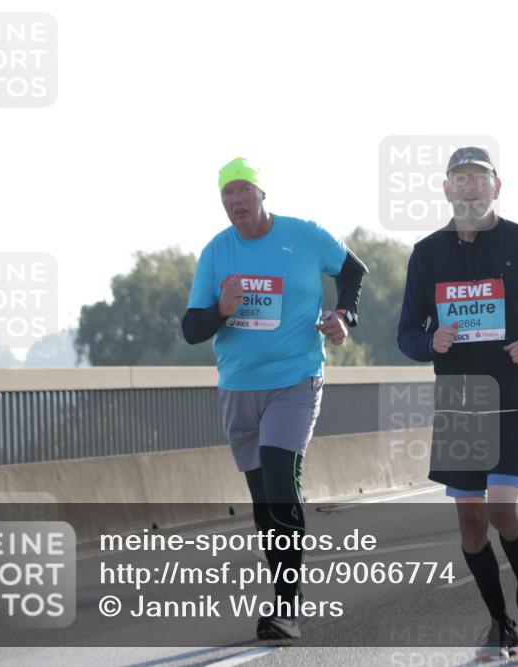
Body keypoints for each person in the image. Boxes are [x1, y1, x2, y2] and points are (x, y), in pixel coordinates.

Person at [397, 147, 518, 660]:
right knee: (471, 523)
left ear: (496, 188)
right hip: (460, 401)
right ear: (446, 189)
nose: (470, 188)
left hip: (513, 398)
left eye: (479, 179)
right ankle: (501, 626)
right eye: (460, 180)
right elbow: (407, 332)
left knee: (501, 508)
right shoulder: (427, 253)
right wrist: (430, 343)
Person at [182, 157, 367, 639]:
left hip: (296, 378)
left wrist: (345, 313)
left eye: (244, 190)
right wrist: (221, 309)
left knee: (281, 478)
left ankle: (288, 607)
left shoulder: (304, 236)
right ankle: (283, 595)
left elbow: (353, 271)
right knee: (263, 499)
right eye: (227, 194)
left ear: (262, 195)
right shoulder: (216, 253)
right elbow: (190, 329)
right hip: (239, 388)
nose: (236, 201)